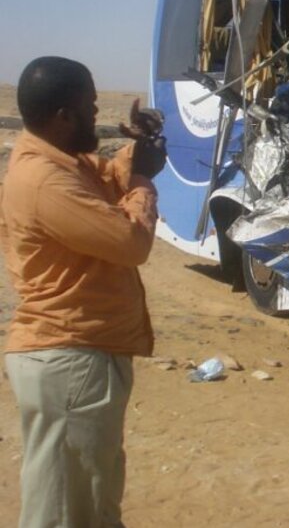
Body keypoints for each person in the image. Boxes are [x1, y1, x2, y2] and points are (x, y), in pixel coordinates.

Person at [1, 56, 166, 527]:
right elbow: (130, 242)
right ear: (63, 116)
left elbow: (106, 180)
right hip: (70, 358)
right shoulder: (44, 180)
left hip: (75, 357)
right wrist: (143, 181)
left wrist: (138, 152)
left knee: (84, 503)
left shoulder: (61, 162)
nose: (97, 115)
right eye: (90, 107)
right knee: (69, 513)